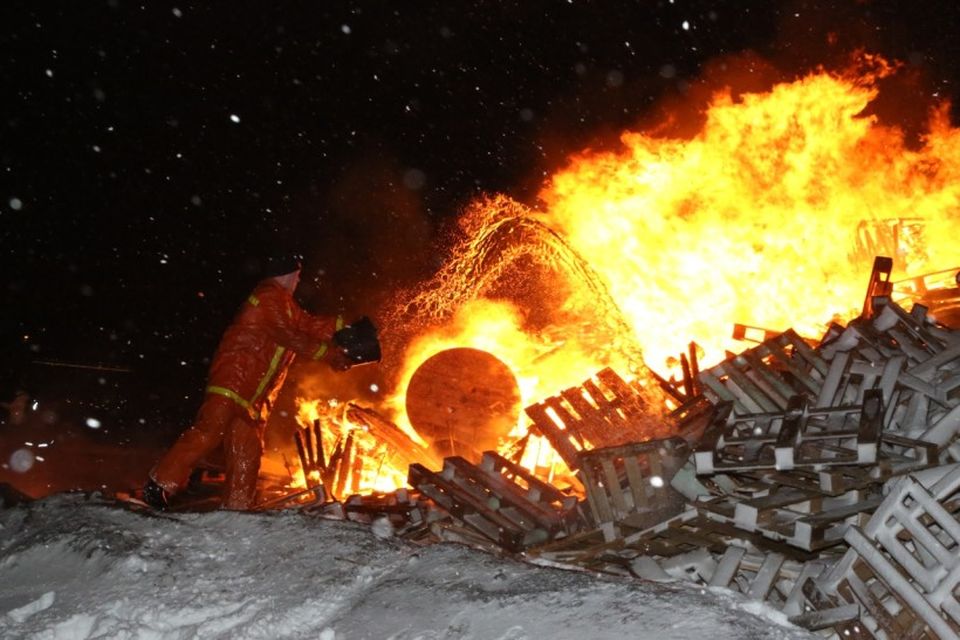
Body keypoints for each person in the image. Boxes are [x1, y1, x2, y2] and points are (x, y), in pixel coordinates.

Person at [144, 263, 379, 510]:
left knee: (247, 452)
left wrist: (346, 326)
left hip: (253, 398)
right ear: (287, 273)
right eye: (297, 276)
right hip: (233, 381)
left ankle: (237, 507)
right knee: (208, 431)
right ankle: (158, 483)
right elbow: (288, 335)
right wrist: (332, 355)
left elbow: (310, 326)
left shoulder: (287, 306)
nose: (298, 281)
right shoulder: (267, 296)